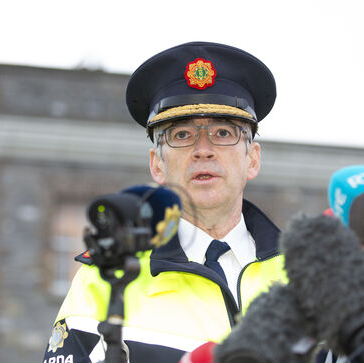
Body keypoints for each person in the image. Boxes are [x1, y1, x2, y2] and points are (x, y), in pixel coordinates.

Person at [42, 41, 287, 363]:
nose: (204, 150)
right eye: (182, 135)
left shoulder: (304, 274)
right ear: (157, 164)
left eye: (224, 133)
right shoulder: (109, 278)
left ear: (252, 159)